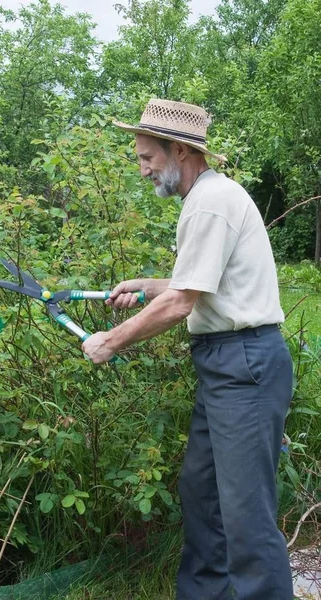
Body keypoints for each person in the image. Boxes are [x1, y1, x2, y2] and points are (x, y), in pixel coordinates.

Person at [82, 99, 293, 600]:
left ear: (180, 149)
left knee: (245, 516)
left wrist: (110, 340)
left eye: (147, 158)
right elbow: (194, 286)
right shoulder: (204, 199)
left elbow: (183, 303)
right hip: (224, 363)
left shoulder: (211, 202)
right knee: (203, 497)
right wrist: (149, 284)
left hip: (245, 363)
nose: (142, 170)